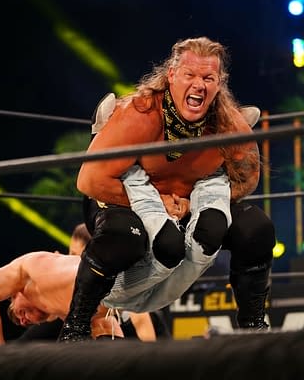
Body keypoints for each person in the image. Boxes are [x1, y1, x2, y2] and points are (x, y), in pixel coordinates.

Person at [59, 36, 275, 342]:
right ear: (171, 75)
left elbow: (248, 179)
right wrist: (155, 203)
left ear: (219, 83)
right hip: (122, 201)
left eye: (208, 78)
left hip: (184, 207)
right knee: (125, 236)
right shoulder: (141, 114)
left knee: (257, 228)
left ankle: (253, 327)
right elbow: (89, 181)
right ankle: (76, 327)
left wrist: (197, 202)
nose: (199, 85)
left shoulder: (229, 126)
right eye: (190, 75)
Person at [0, 251, 124, 345]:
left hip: (112, 269)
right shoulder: (66, 312)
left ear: (14, 294)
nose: (23, 320)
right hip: (122, 287)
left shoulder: (24, 268)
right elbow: (106, 327)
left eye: (19, 312)